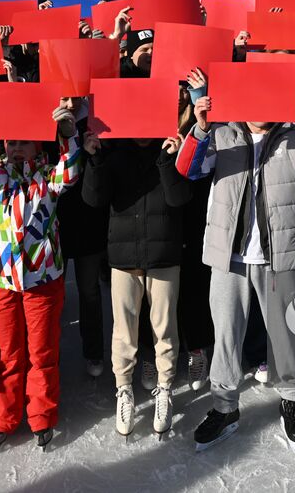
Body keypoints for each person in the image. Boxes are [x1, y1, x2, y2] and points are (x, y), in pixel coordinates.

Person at [175, 87, 295, 453]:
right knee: (226, 336)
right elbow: (187, 170)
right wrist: (200, 129)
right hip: (229, 256)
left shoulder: (293, 135)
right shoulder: (223, 133)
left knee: (285, 335)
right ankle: (224, 408)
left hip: (279, 255)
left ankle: (291, 400)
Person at [0, 102, 82, 452]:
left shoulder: (48, 177)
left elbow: (70, 171)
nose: (18, 148)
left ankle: (41, 414)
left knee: (42, 352)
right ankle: (5, 417)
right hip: (2, 282)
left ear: (38, 145)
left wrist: (67, 135)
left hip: (43, 280)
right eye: (12, 142)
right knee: (8, 354)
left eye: (25, 142)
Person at [81, 131, 193, 438]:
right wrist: (95, 158)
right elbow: (93, 198)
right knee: (124, 331)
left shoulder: (172, 148)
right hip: (124, 258)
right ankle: (124, 391)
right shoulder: (113, 153)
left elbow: (179, 197)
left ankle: (165, 388)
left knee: (165, 329)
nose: (143, 134)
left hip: (164, 255)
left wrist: (169, 161)